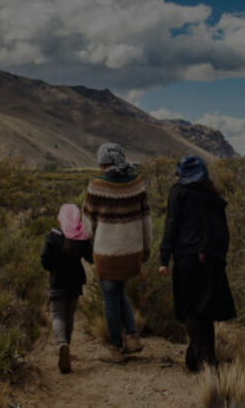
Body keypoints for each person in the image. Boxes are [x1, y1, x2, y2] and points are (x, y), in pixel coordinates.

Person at [158, 155, 236, 372]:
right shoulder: (213, 195)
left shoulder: (179, 192)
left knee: (191, 310)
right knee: (205, 311)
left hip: (187, 258)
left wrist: (164, 258)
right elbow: (223, 231)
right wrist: (220, 257)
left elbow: (171, 225)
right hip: (212, 259)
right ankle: (197, 359)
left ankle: (205, 363)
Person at [83, 143, 151, 363]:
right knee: (119, 291)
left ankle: (115, 348)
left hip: (107, 253)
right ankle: (132, 337)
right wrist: (145, 251)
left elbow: (88, 225)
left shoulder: (96, 185)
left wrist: (92, 246)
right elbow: (146, 221)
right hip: (132, 252)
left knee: (110, 296)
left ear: (103, 163)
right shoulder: (137, 184)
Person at [40, 203, 93, 374]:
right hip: (75, 283)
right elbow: (91, 258)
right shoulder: (81, 238)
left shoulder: (52, 237)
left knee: (57, 314)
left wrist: (52, 269)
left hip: (57, 283)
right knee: (69, 315)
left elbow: (44, 261)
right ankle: (67, 346)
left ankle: (61, 343)